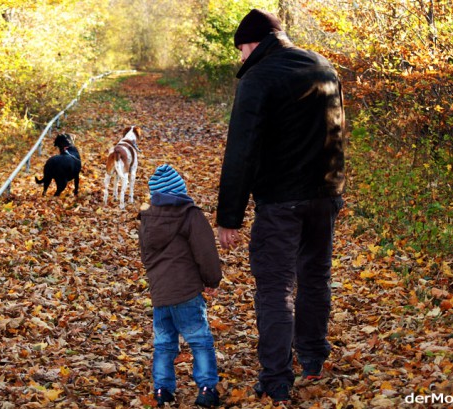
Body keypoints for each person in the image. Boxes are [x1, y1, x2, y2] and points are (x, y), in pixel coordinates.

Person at [216, 8, 346, 404]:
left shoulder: (258, 79)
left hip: (281, 203)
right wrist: (335, 191)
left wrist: (229, 218)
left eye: (241, 49)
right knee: (315, 277)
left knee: (275, 287)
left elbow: (242, 151)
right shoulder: (323, 66)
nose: (240, 58)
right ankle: (313, 357)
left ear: (253, 43)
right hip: (324, 197)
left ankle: (276, 378)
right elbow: (337, 131)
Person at [138, 164, 223, 408]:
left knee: (164, 343)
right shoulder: (190, 214)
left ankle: (162, 390)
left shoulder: (146, 218)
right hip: (186, 292)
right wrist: (212, 280)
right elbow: (205, 251)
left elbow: (145, 255)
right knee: (199, 340)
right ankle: (207, 388)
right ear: (180, 191)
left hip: (160, 294)